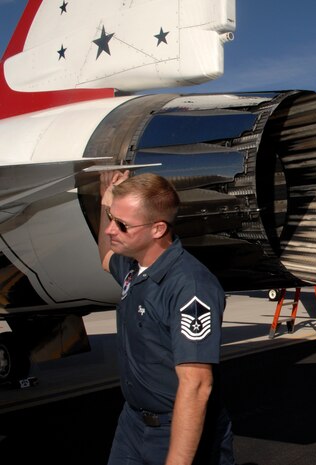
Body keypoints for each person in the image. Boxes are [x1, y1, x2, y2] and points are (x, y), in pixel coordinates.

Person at [98, 170, 235, 465]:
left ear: (158, 229)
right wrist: (104, 202)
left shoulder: (191, 287)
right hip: (132, 425)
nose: (111, 230)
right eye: (111, 218)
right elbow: (105, 258)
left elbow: (197, 385)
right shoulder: (135, 266)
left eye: (121, 224)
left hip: (177, 430)